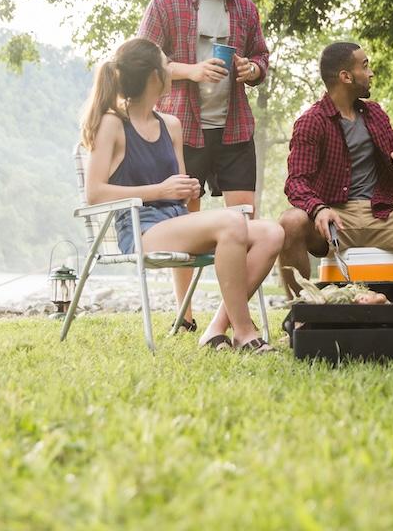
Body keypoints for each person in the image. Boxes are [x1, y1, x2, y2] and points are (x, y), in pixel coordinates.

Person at [79, 37, 282, 353]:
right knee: (231, 223)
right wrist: (159, 190)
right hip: (142, 230)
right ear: (154, 77)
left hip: (176, 222)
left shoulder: (171, 125)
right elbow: (95, 193)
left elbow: (183, 192)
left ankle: (217, 328)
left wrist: (187, 190)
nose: (171, 70)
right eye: (166, 65)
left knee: (271, 232)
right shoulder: (112, 124)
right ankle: (244, 332)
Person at [137, 0, 270, 332]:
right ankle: (186, 316)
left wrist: (252, 69)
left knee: (245, 222)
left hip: (234, 128)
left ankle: (226, 320)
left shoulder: (245, 7)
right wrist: (192, 71)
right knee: (186, 221)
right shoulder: (167, 1)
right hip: (183, 126)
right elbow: (144, 62)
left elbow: (262, 59)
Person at [279, 42, 393, 313]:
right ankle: (301, 316)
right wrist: (318, 209)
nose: (371, 72)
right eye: (365, 66)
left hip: (379, 214)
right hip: (334, 220)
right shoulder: (312, 121)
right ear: (346, 76)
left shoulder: (374, 113)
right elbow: (296, 182)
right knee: (289, 222)